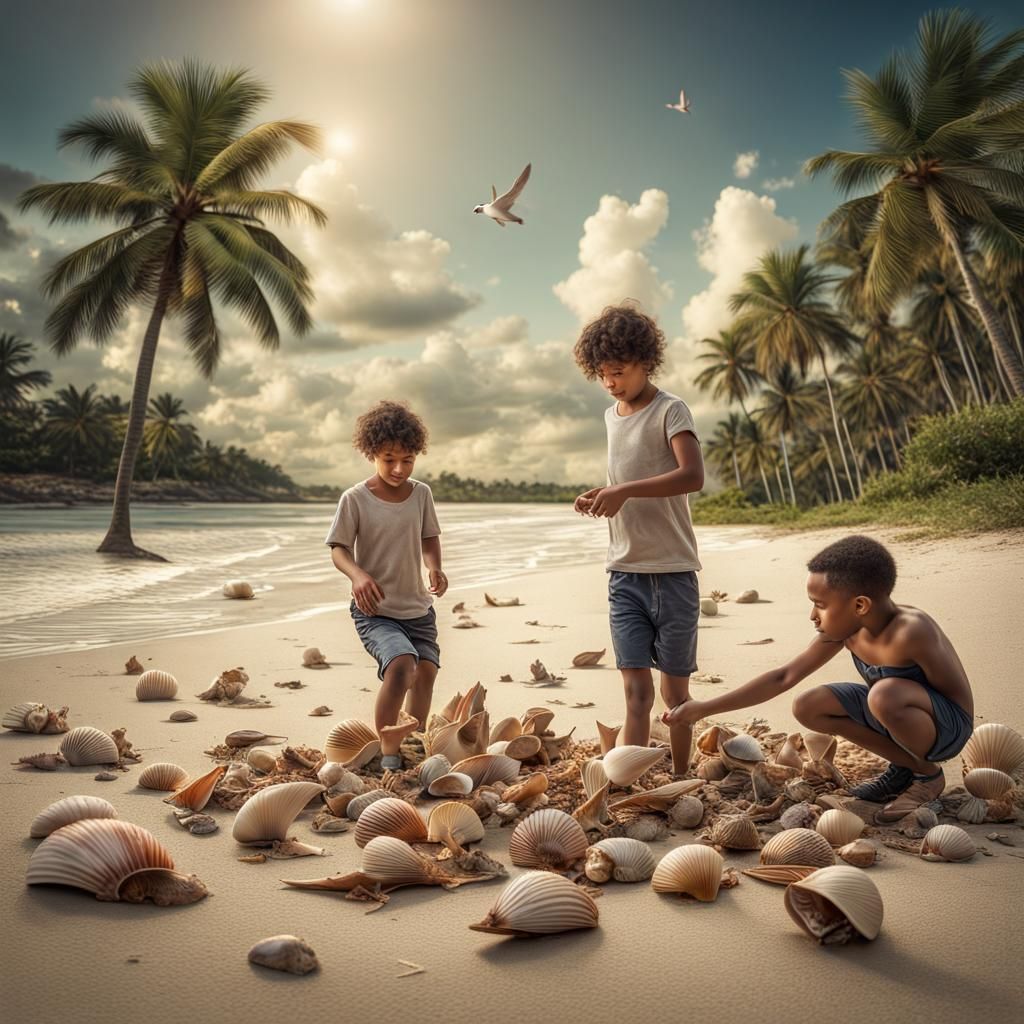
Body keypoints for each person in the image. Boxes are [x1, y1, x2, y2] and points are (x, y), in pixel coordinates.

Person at [662, 535, 974, 821]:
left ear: (860, 605)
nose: (813, 615)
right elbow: (783, 677)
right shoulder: (847, 630)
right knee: (808, 705)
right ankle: (911, 767)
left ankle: (927, 777)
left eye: (820, 605)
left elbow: (955, 702)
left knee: (883, 695)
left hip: (946, 727)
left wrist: (904, 711)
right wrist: (703, 708)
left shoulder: (912, 631)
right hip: (896, 714)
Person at [572, 302, 705, 775]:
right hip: (624, 573)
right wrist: (603, 493)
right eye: (602, 375)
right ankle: (627, 782)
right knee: (635, 693)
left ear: (645, 361)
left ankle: (682, 775)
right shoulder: (611, 417)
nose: (610, 383)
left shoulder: (671, 410)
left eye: (619, 372)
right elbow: (624, 477)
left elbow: (692, 475)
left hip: (672, 573)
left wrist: (624, 490)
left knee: (674, 694)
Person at [325, 400, 447, 770]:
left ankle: (413, 745)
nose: (398, 468)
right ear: (372, 453)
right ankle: (385, 748)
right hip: (375, 611)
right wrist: (358, 575)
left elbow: (429, 537)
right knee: (400, 666)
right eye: (389, 458)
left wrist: (435, 567)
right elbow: (339, 548)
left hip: (418, 608)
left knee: (425, 673)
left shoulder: (421, 494)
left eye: (407, 460)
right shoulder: (356, 499)